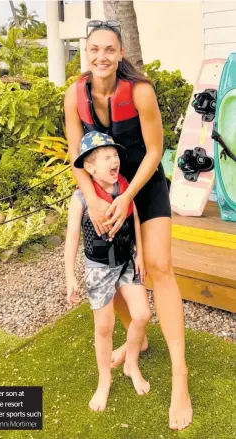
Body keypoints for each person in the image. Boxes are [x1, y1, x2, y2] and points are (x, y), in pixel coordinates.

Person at [64, 20, 193, 431]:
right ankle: (139, 334)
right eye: (94, 49)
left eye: (109, 49)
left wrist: (126, 196)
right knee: (113, 265)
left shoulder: (140, 91)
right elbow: (75, 159)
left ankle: (180, 377)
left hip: (144, 184)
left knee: (158, 266)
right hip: (106, 188)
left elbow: (156, 150)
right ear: (86, 53)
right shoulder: (75, 95)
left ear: (121, 55)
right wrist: (95, 199)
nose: (101, 57)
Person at [65, 130, 152, 411]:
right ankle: (104, 380)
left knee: (142, 314)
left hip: (126, 261)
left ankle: (131, 364)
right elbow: (72, 239)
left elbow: (135, 217)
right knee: (104, 327)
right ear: (89, 168)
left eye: (115, 156)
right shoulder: (80, 200)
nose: (114, 161)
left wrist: (139, 252)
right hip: (99, 268)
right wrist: (70, 276)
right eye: (106, 158)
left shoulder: (124, 188)